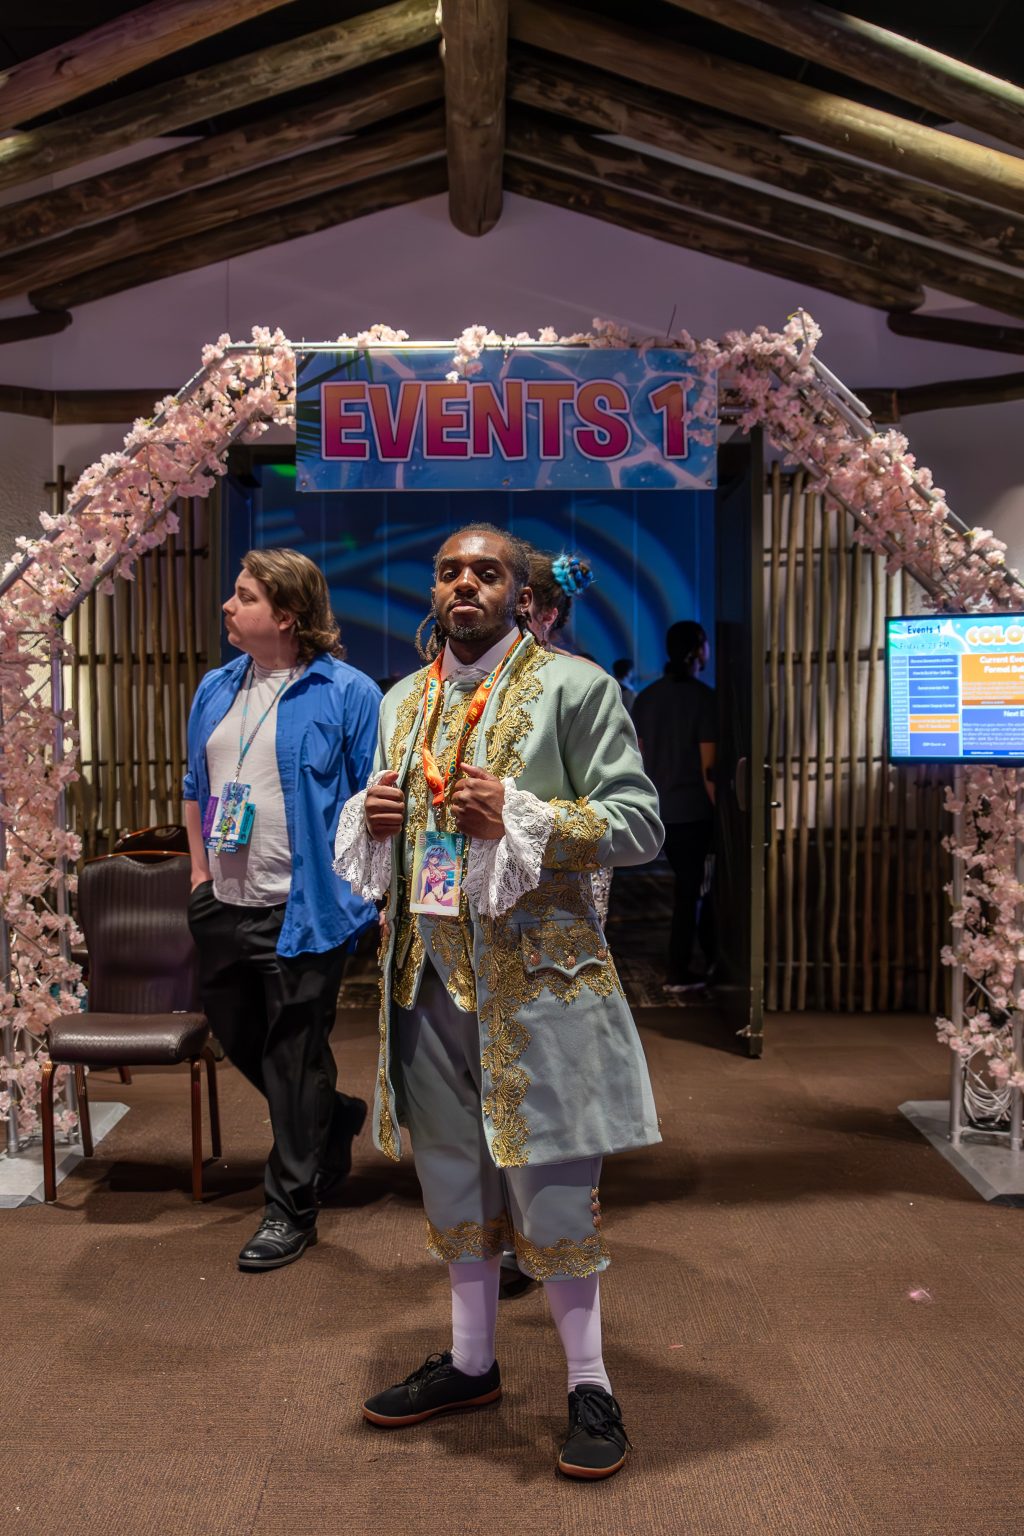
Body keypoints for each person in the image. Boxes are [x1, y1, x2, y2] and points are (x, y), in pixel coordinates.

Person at [334, 522, 663, 1480]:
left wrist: (523, 817)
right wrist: (375, 818)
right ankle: (472, 1363)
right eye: (450, 572)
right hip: (425, 980)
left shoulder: (576, 688)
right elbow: (405, 841)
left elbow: (639, 823)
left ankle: (590, 1384)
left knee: (552, 1191)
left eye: (486, 572)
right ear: (434, 590)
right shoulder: (402, 700)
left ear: (521, 594)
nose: (465, 585)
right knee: (453, 1182)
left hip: (538, 988)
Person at [183, 547, 381, 1271]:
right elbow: (194, 786)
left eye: (245, 596)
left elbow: (369, 803)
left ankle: (289, 1209)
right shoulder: (215, 687)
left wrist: (366, 894)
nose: (229, 606)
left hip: (303, 910)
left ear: (288, 614)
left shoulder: (347, 691)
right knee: (243, 1039)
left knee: (293, 1058)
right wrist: (199, 875)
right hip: (223, 904)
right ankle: (335, 1115)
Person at [631, 620, 716, 993]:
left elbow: (638, 759)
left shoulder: (646, 699)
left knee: (681, 890)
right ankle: (680, 971)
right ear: (698, 649)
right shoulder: (704, 699)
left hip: (657, 810)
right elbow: (709, 769)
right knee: (692, 892)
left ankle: (686, 964)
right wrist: (722, 819)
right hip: (693, 812)